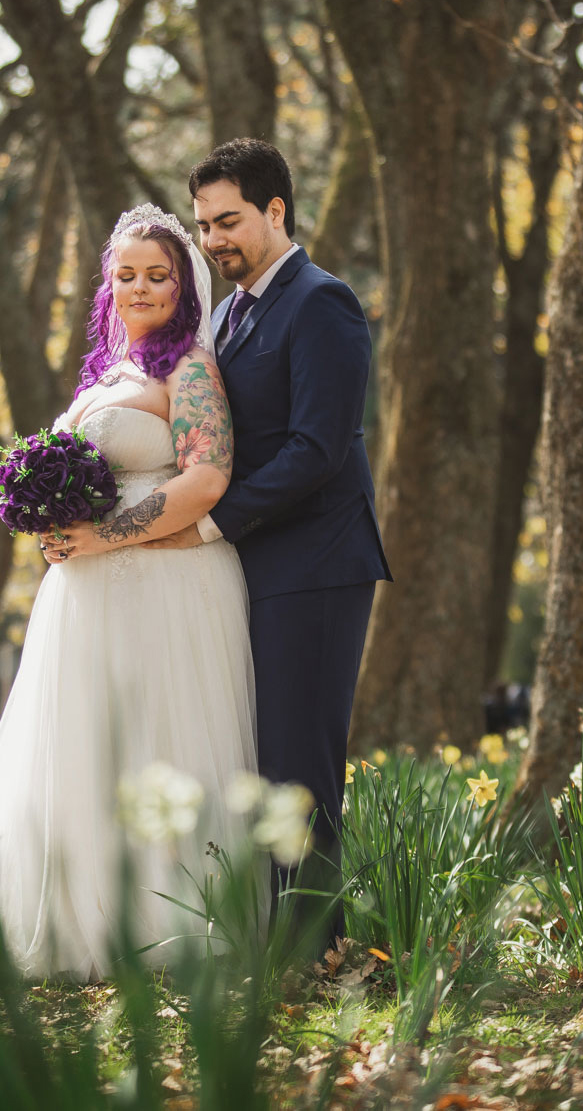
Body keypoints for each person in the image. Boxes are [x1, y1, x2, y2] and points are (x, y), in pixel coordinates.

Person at [0, 203, 257, 979]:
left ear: (184, 286)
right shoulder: (109, 374)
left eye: (158, 275)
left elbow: (208, 477)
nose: (141, 288)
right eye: (126, 276)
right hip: (85, 595)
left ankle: (160, 917)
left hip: (169, 585)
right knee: (86, 747)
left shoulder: (193, 369)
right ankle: (81, 913)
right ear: (108, 286)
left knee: (156, 734)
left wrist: (104, 535)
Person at [145, 138, 392, 949]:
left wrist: (206, 521)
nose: (213, 239)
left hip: (318, 565)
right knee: (260, 757)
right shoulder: (226, 313)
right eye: (204, 224)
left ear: (275, 210)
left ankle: (315, 950)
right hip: (255, 564)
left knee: (300, 763)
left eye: (229, 220)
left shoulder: (323, 303)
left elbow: (317, 449)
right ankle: (278, 934)